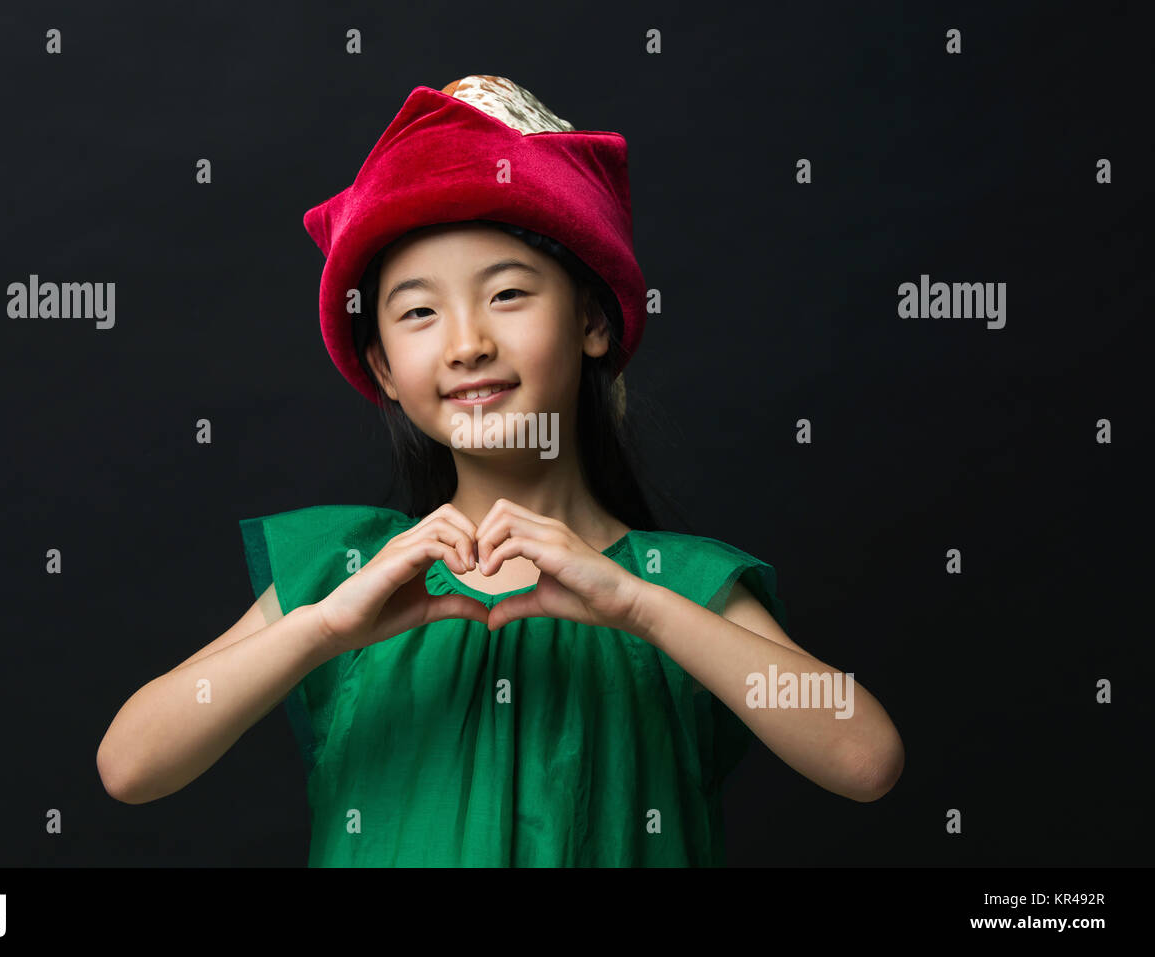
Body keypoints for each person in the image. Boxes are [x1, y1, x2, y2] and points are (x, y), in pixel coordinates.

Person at [97, 75, 905, 866]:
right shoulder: (344, 573)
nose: (466, 343)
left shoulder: (676, 585)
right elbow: (129, 766)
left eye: (508, 293)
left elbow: (866, 759)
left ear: (592, 320)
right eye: (418, 311)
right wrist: (322, 629)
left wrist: (641, 606)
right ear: (380, 365)